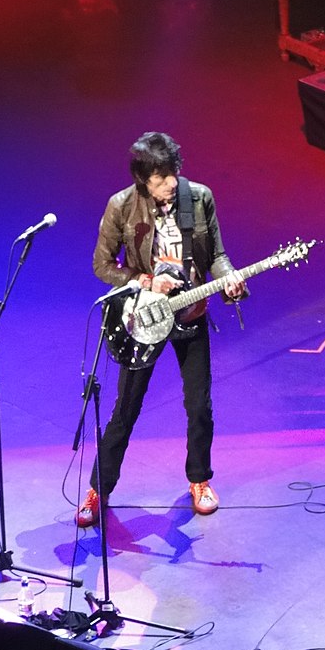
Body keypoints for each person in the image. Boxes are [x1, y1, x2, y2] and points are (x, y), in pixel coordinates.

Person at [76, 131, 245, 527]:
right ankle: (98, 489)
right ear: (143, 180)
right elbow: (103, 265)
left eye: (174, 172)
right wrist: (146, 280)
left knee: (199, 405)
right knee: (125, 409)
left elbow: (217, 254)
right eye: (161, 177)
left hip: (190, 313)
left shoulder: (199, 197)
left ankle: (199, 480)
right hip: (144, 319)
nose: (171, 182)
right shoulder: (121, 206)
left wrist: (230, 278)